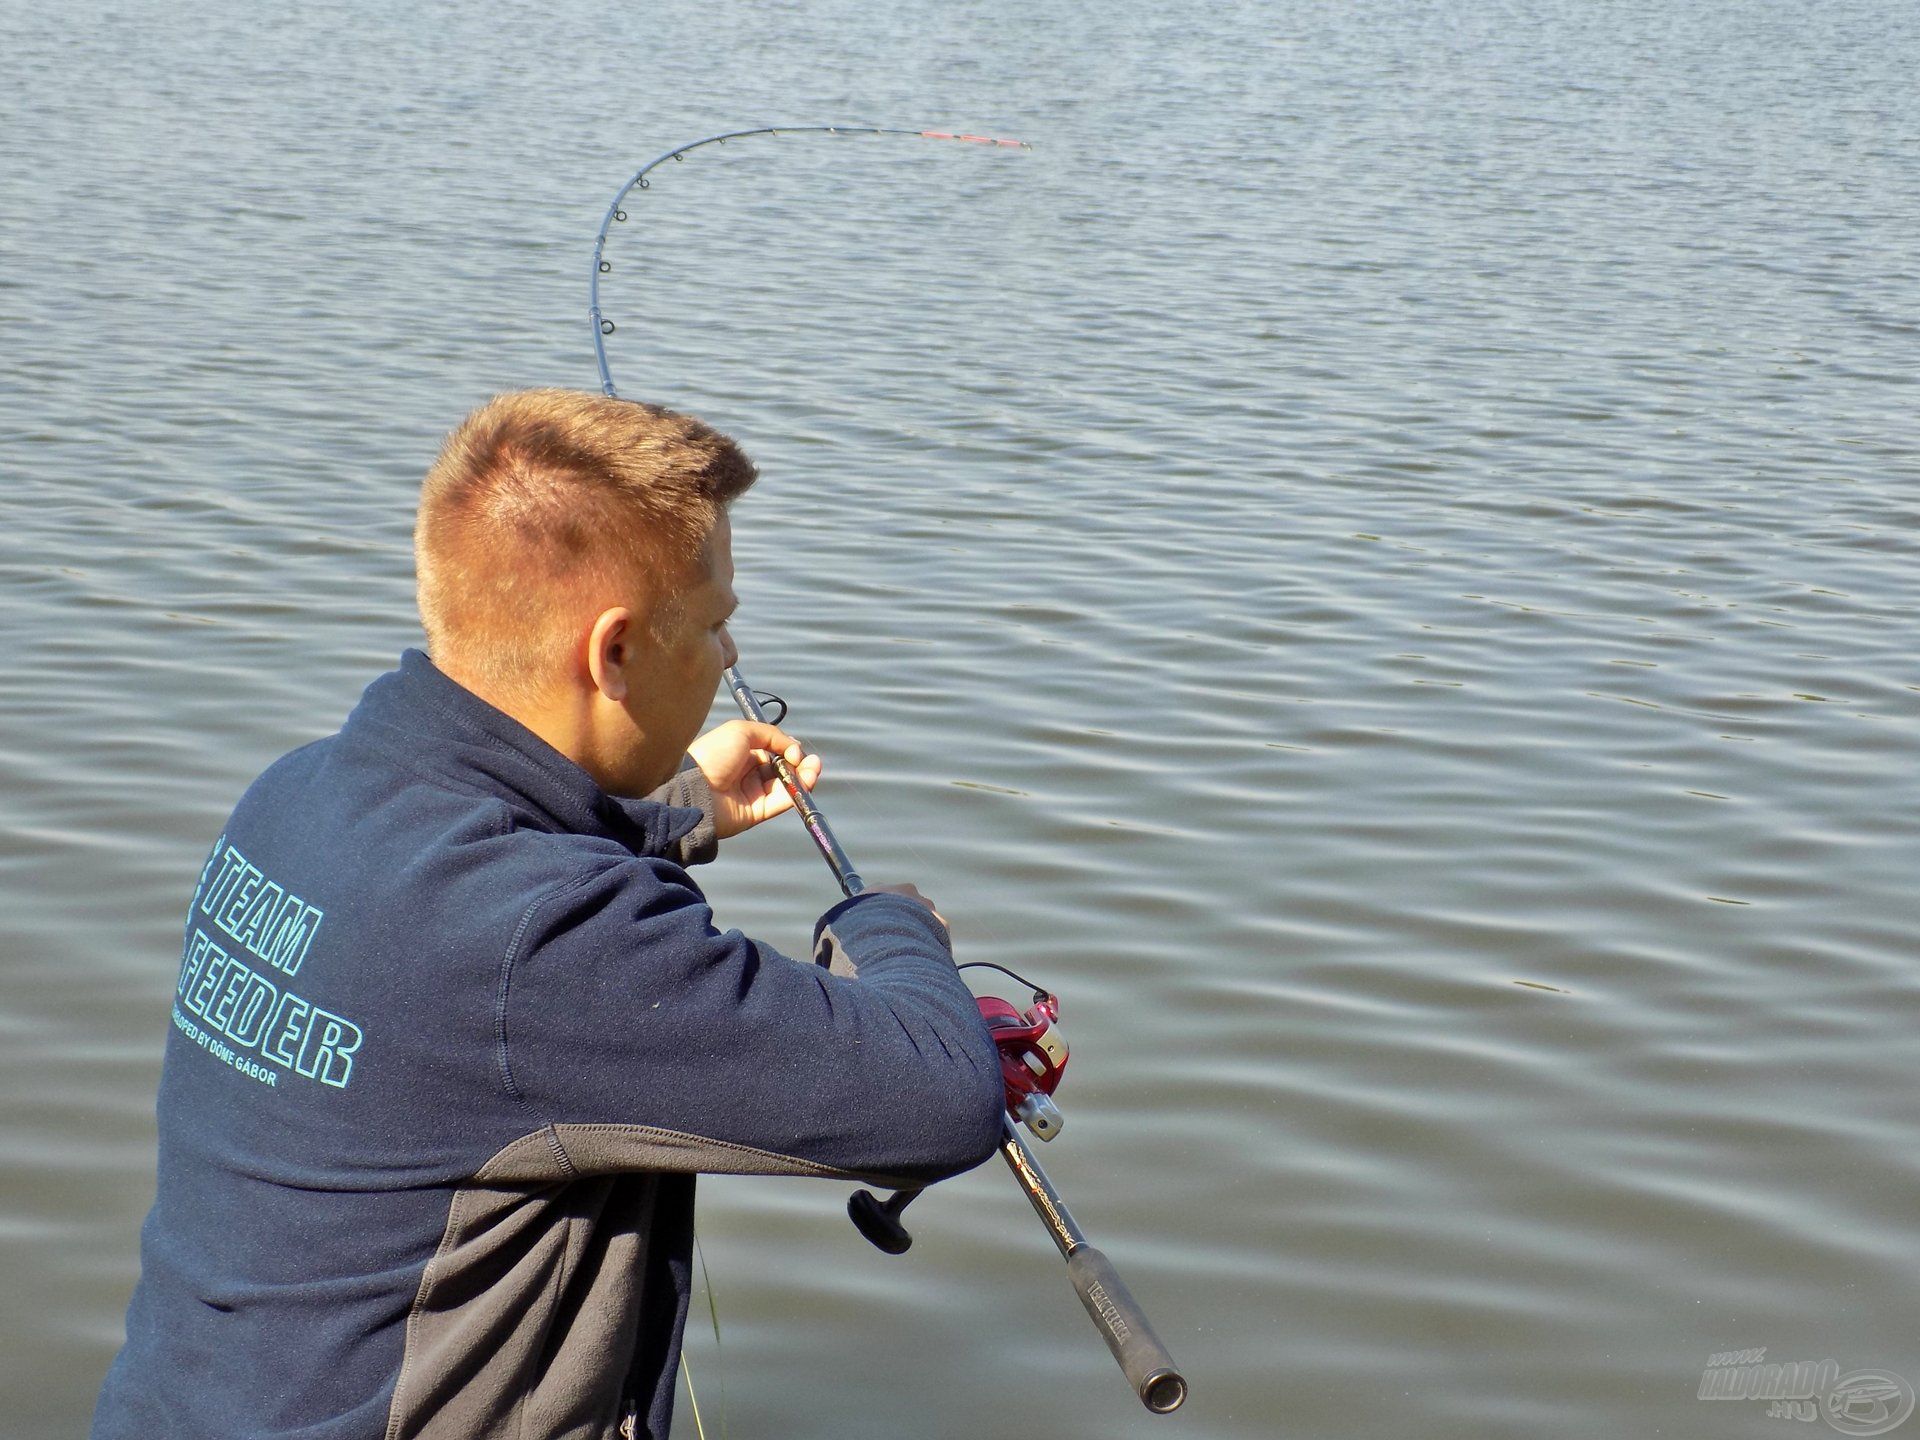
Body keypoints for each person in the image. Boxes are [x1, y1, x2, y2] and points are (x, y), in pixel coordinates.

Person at [92, 389, 1005, 1440]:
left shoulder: (297, 796)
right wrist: (890, 927)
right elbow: (937, 1096)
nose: (729, 666)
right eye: (716, 625)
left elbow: (462, 941)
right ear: (613, 653)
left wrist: (671, 814)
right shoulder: (556, 942)